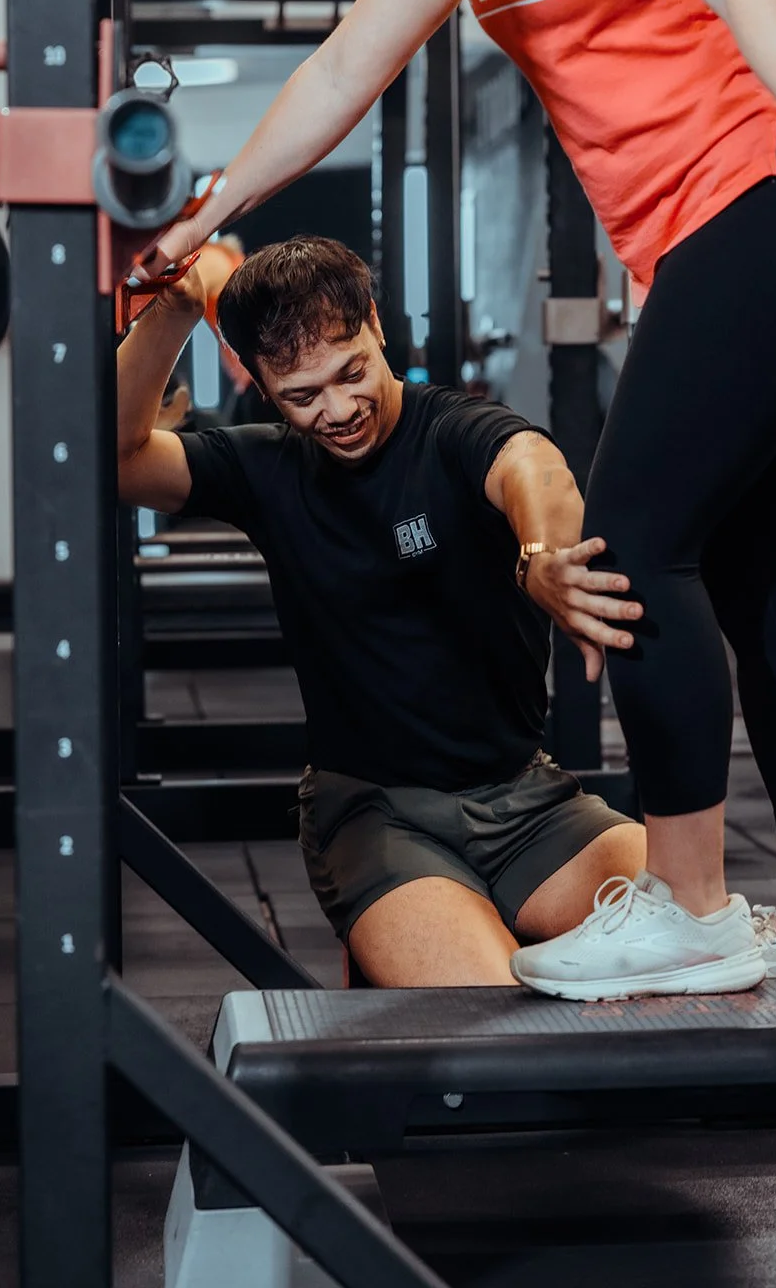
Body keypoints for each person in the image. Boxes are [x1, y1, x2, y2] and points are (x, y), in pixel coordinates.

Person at [134, 0, 776, 1000]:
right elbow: (345, 67)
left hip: (769, 192)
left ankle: (683, 903)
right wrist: (210, 209)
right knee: (766, 591)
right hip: (690, 240)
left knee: (626, 541)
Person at [117, 236, 646, 986]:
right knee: (486, 1016)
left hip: (529, 803)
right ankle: (405, 930)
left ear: (374, 323)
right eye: (302, 395)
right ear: (262, 385)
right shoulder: (262, 468)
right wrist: (173, 308)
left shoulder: (453, 430)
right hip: (373, 813)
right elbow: (112, 455)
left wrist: (540, 556)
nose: (338, 411)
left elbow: (533, 465)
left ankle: (423, 938)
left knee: (690, 936)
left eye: (351, 372)